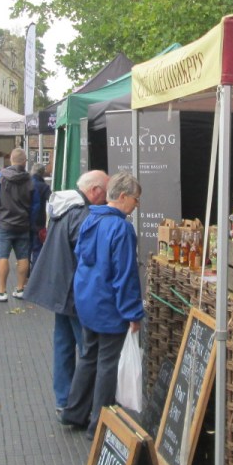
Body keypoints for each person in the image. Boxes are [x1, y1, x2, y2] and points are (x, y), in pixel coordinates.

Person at [59, 172, 144, 439]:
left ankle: (74, 412)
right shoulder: (121, 228)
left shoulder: (89, 218)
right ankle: (99, 423)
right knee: (107, 363)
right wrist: (133, 313)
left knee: (88, 356)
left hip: (87, 300)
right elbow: (125, 274)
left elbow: (81, 258)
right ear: (122, 197)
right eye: (135, 199)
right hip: (108, 305)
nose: (136, 204)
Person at [23, 170, 108, 415]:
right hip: (73, 291)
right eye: (105, 193)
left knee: (63, 344)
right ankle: (82, 405)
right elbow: (86, 258)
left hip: (57, 287)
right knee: (87, 349)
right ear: (95, 191)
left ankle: (64, 399)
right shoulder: (82, 215)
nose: (106, 199)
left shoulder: (64, 208)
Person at [0, 148, 35, 303]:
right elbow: (36, 204)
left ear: (11, 160)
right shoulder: (30, 179)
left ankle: (1, 291)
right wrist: (30, 223)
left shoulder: (0, 177)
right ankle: (20, 289)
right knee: (23, 257)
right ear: (25, 162)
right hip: (23, 224)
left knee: (2, 257)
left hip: (3, 224)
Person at [28, 162, 52, 273]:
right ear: (42, 173)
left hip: (24, 220)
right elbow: (52, 201)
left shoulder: (26, 184)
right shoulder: (44, 186)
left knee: (25, 249)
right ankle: (36, 272)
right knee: (37, 248)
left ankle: (24, 272)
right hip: (38, 221)